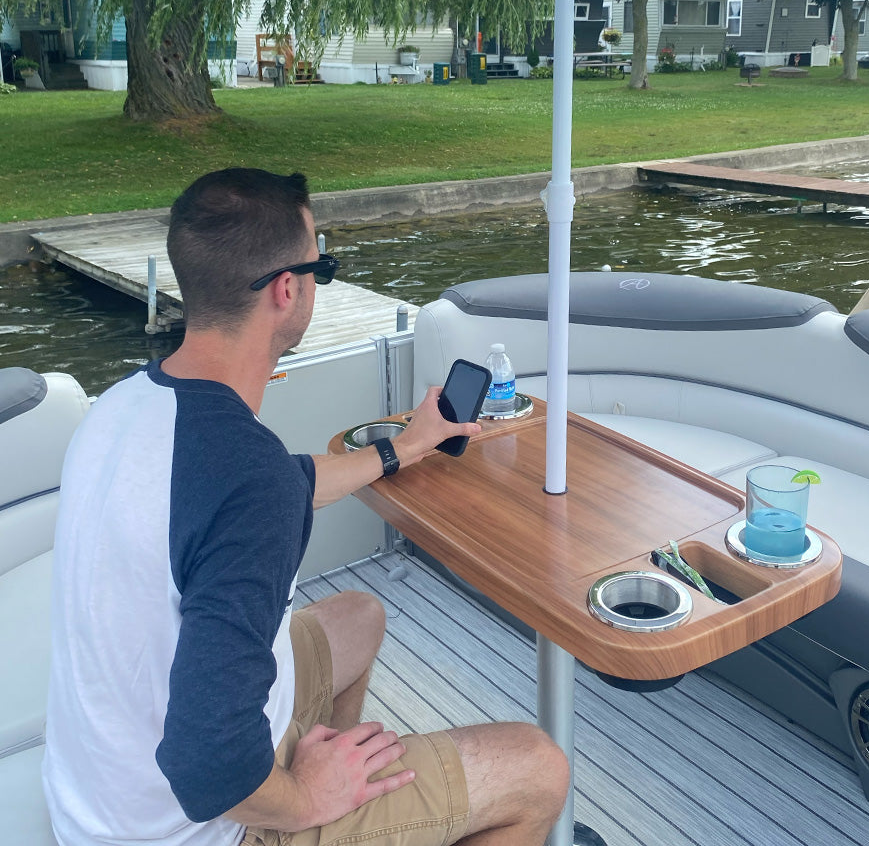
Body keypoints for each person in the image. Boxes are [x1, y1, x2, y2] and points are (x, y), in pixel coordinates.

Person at [42, 168, 569, 846]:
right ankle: (323, 814)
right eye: (322, 264)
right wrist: (309, 797)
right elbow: (206, 768)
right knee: (538, 769)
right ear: (287, 289)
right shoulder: (244, 475)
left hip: (99, 802)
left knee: (359, 617)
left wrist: (402, 449)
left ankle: (354, 810)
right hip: (196, 827)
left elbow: (281, 485)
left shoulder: (124, 406)